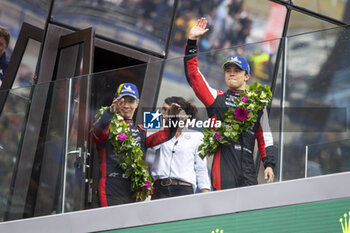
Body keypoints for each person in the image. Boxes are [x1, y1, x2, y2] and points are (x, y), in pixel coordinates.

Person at [184, 17, 277, 191]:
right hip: (224, 165)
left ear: (247, 76)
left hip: (248, 167)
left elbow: (265, 137)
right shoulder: (216, 98)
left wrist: (269, 164)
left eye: (237, 71)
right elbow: (194, 76)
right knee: (224, 211)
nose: (231, 74)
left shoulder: (257, 104)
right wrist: (192, 42)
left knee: (249, 213)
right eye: (228, 70)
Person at [92, 83, 179, 206]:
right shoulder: (107, 126)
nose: (126, 105)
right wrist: (110, 112)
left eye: (131, 101)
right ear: (115, 102)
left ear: (137, 103)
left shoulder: (141, 130)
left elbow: (165, 135)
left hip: (133, 192)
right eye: (122, 101)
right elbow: (97, 132)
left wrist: (173, 118)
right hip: (110, 189)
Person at [147, 96, 211, 200]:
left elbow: (201, 168)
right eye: (163, 110)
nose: (164, 114)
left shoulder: (197, 136)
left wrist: (206, 195)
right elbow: (153, 146)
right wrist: (168, 125)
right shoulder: (157, 132)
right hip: (160, 188)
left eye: (169, 111)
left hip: (184, 189)